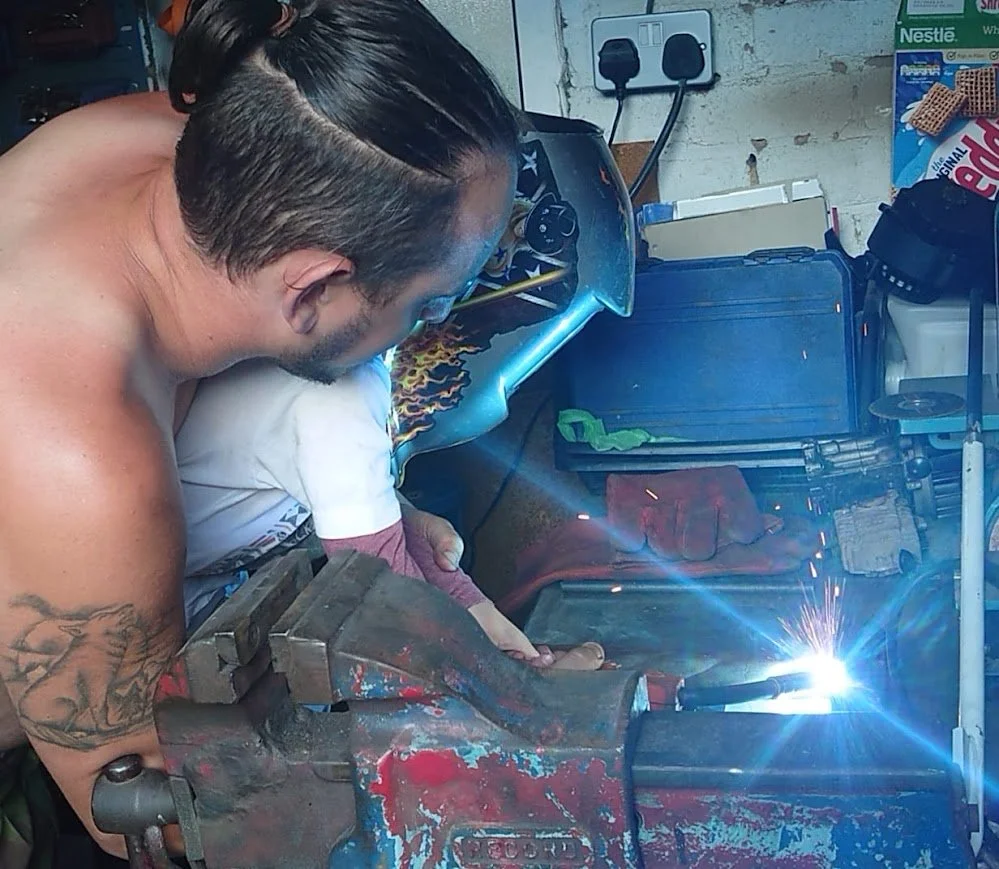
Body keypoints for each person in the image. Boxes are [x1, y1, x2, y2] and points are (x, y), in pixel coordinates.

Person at [0, 0, 524, 855]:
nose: (427, 328)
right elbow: (144, 812)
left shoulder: (193, 139)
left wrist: (366, 514)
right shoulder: (82, 451)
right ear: (313, 287)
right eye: (428, 302)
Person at [176, 357, 607, 668]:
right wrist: (524, 691)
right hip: (150, 611)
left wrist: (507, 646)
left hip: (204, 587)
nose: (437, 315)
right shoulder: (341, 389)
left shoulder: (337, 378)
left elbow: (367, 524)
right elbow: (392, 600)